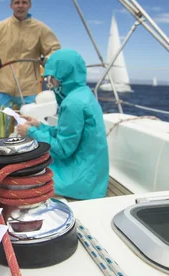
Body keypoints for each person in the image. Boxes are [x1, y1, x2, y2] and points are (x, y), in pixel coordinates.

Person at [16, 49, 109, 200]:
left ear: (63, 76)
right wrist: (39, 125)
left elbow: (62, 150)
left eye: (52, 77)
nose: (49, 82)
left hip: (80, 182)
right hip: (94, 178)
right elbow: (67, 133)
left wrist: (31, 132)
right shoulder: (83, 93)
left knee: (26, 170)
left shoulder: (72, 104)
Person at [0, 0, 61, 135]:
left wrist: (47, 60)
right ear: (11, 6)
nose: (20, 5)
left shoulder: (40, 28)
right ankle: (3, 154)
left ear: (29, 5)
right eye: (17, 2)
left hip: (30, 90)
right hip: (3, 89)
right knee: (1, 132)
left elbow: (54, 50)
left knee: (31, 130)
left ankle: (32, 156)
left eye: (24, 2)